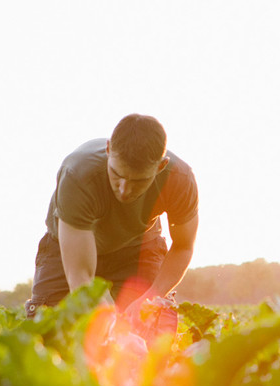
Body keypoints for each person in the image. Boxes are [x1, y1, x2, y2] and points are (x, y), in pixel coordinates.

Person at [25, 114, 199, 321]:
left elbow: (183, 246)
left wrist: (151, 296)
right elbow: (80, 276)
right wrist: (107, 324)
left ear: (161, 166)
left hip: (137, 248)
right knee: (52, 330)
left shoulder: (179, 179)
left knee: (155, 325)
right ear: (108, 150)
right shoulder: (78, 174)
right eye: (117, 175)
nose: (124, 190)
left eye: (138, 181)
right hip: (68, 250)